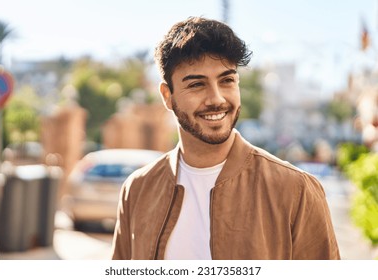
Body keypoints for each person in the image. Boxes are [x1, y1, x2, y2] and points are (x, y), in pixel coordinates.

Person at [111, 16, 340, 260]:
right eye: (197, 84)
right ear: (167, 95)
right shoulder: (137, 189)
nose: (217, 99)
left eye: (227, 80)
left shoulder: (296, 190)